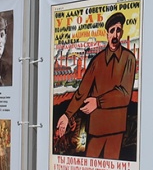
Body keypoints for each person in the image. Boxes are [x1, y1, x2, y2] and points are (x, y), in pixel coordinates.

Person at [54, 11, 137, 159]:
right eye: (112, 31)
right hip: (96, 129)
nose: (115, 35)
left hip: (115, 129)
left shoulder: (128, 58)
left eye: (118, 30)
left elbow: (125, 95)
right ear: (107, 34)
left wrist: (98, 102)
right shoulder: (97, 61)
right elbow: (82, 91)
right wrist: (67, 115)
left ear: (122, 33)